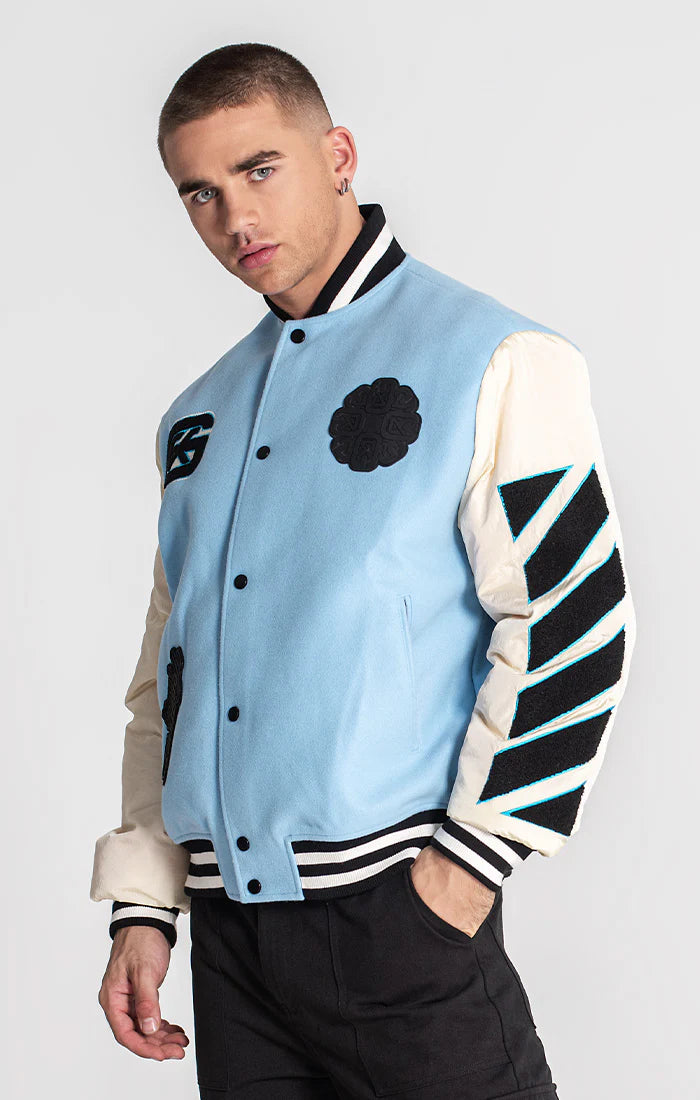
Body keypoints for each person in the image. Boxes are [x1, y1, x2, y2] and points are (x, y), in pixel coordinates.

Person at [91, 41, 636, 1100]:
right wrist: (145, 902)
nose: (235, 217)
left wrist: (468, 867)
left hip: (399, 920)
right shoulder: (198, 416)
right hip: (231, 944)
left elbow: (573, 616)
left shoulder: (496, 358)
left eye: (259, 169)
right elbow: (170, 674)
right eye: (199, 192)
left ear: (337, 155)